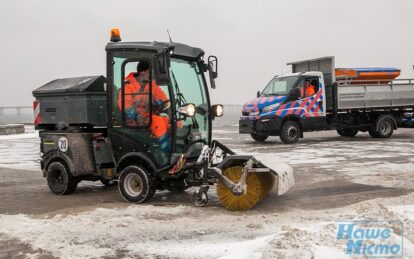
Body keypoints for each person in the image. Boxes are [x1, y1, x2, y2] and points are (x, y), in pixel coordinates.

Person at [118, 61, 172, 152]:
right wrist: (136, 116)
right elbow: (124, 105)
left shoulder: (152, 85)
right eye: (150, 72)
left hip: (149, 117)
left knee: (171, 122)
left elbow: (164, 99)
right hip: (133, 119)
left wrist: (159, 102)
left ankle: (174, 151)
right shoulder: (128, 86)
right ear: (142, 72)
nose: (153, 75)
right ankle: (166, 153)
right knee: (158, 122)